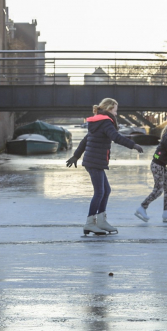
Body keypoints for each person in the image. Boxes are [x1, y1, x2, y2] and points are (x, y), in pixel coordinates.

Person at [66, 98, 144, 236]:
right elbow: (116, 137)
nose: (116, 113)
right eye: (115, 110)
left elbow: (86, 140)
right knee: (99, 192)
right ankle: (90, 223)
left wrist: (76, 156)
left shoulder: (97, 121)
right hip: (94, 161)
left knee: (106, 190)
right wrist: (133, 145)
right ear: (108, 109)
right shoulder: (106, 122)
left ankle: (101, 221)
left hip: (94, 160)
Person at [134, 118, 167, 223]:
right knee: (158, 190)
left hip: (161, 165)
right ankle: (142, 208)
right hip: (157, 165)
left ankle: (166, 212)